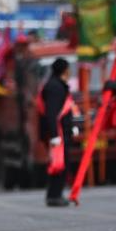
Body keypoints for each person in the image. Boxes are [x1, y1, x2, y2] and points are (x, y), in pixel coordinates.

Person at [40, 58, 75, 207]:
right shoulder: (55, 87)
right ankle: (55, 195)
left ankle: (54, 194)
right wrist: (54, 135)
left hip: (61, 132)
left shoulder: (57, 85)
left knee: (60, 164)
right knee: (59, 165)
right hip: (58, 133)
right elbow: (51, 113)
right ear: (64, 70)